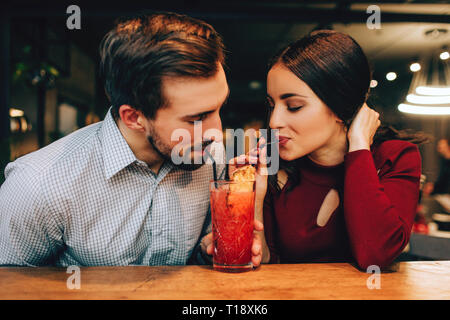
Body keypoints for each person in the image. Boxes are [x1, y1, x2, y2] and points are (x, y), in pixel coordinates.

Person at [0, 13, 263, 267]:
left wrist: (210, 253)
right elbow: (8, 288)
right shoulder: (37, 184)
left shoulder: (210, 158)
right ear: (134, 117)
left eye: (219, 108)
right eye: (196, 118)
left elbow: (197, 261)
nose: (216, 133)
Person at [249, 30, 426, 270]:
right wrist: (255, 201)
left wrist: (359, 147)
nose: (274, 121)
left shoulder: (394, 157)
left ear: (341, 105)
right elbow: (265, 262)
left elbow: (375, 254)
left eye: (294, 106)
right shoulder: (273, 166)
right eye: (272, 105)